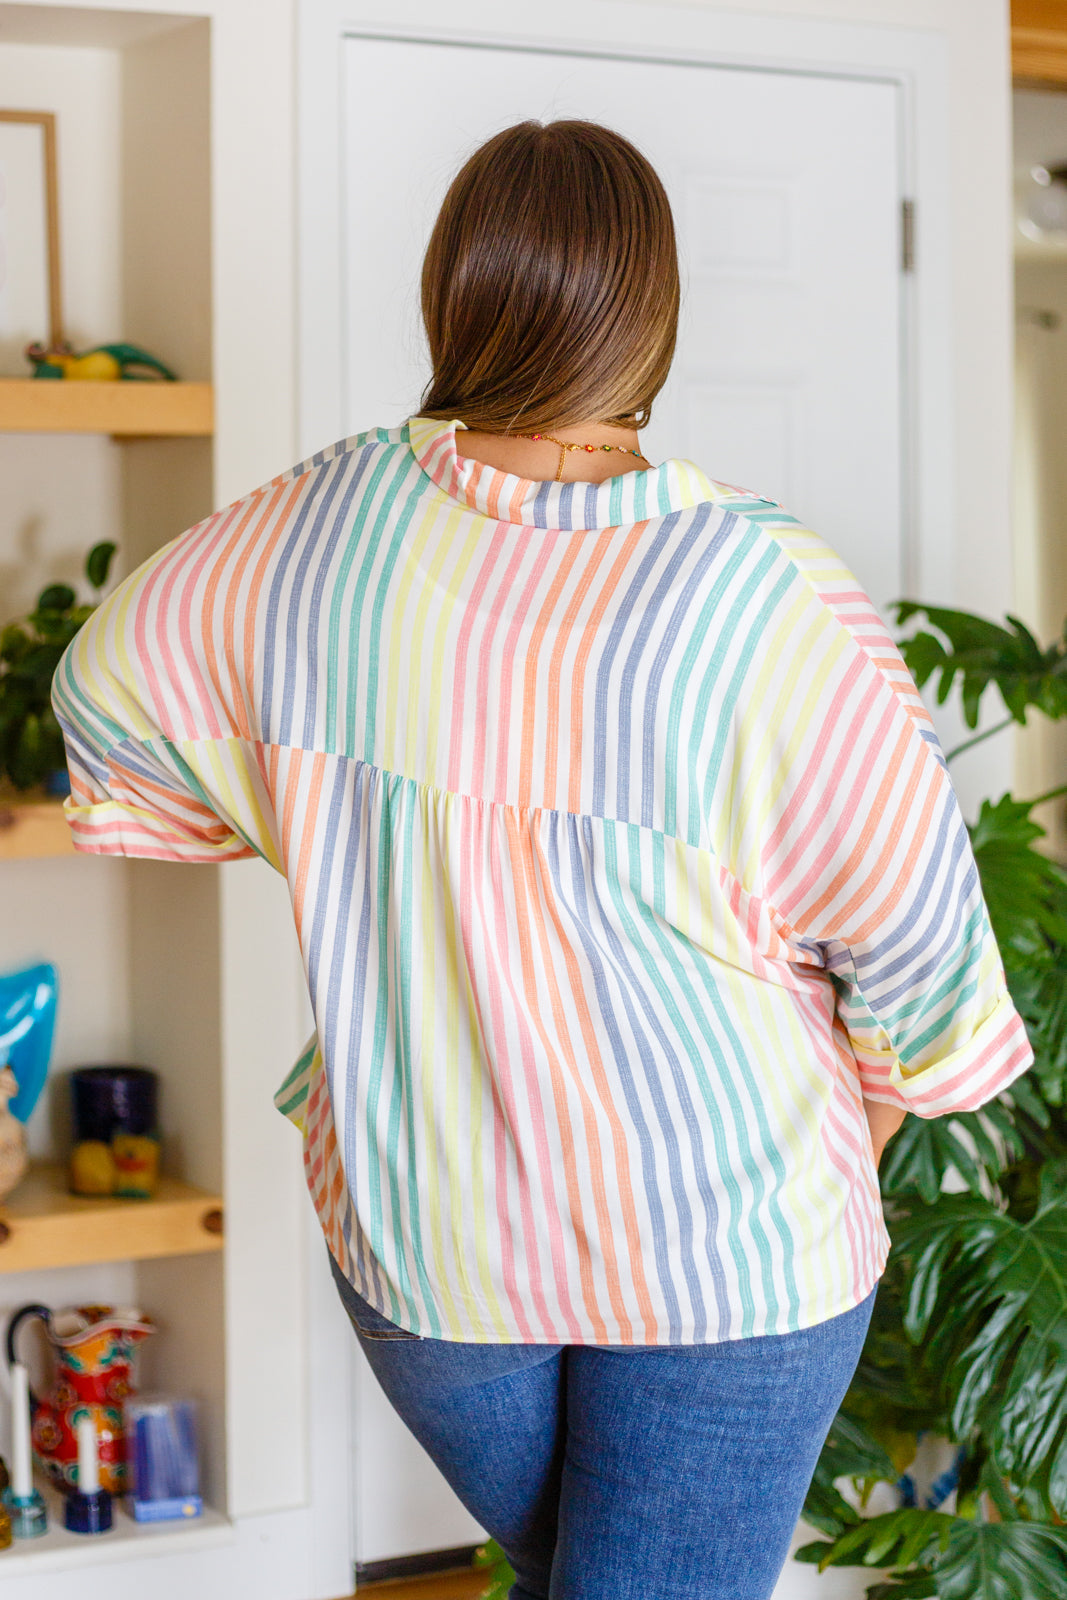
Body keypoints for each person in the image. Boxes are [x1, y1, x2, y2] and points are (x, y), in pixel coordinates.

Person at [51, 120, 1033, 1600]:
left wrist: (334, 826)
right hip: (735, 1263)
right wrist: (833, 1144)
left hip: (431, 1249)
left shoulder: (317, 528)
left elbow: (103, 690)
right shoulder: (768, 596)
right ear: (653, 314)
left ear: (455, 294)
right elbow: (927, 975)